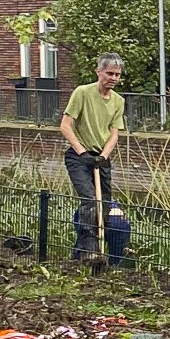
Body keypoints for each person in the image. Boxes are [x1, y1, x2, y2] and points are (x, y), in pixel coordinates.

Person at [59, 54, 127, 260]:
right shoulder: (82, 93)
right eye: (109, 73)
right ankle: (89, 249)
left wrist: (103, 156)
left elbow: (114, 134)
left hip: (101, 156)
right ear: (99, 72)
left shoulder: (118, 101)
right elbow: (65, 126)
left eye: (117, 75)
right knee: (90, 200)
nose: (113, 78)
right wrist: (82, 152)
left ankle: (84, 253)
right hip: (78, 156)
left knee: (104, 203)